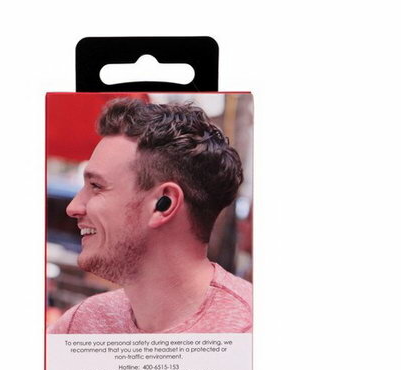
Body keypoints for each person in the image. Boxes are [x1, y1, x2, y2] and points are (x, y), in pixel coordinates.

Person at [48, 98, 252, 334]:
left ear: (163, 204)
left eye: (96, 186)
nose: (73, 207)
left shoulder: (249, 335)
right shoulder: (80, 325)